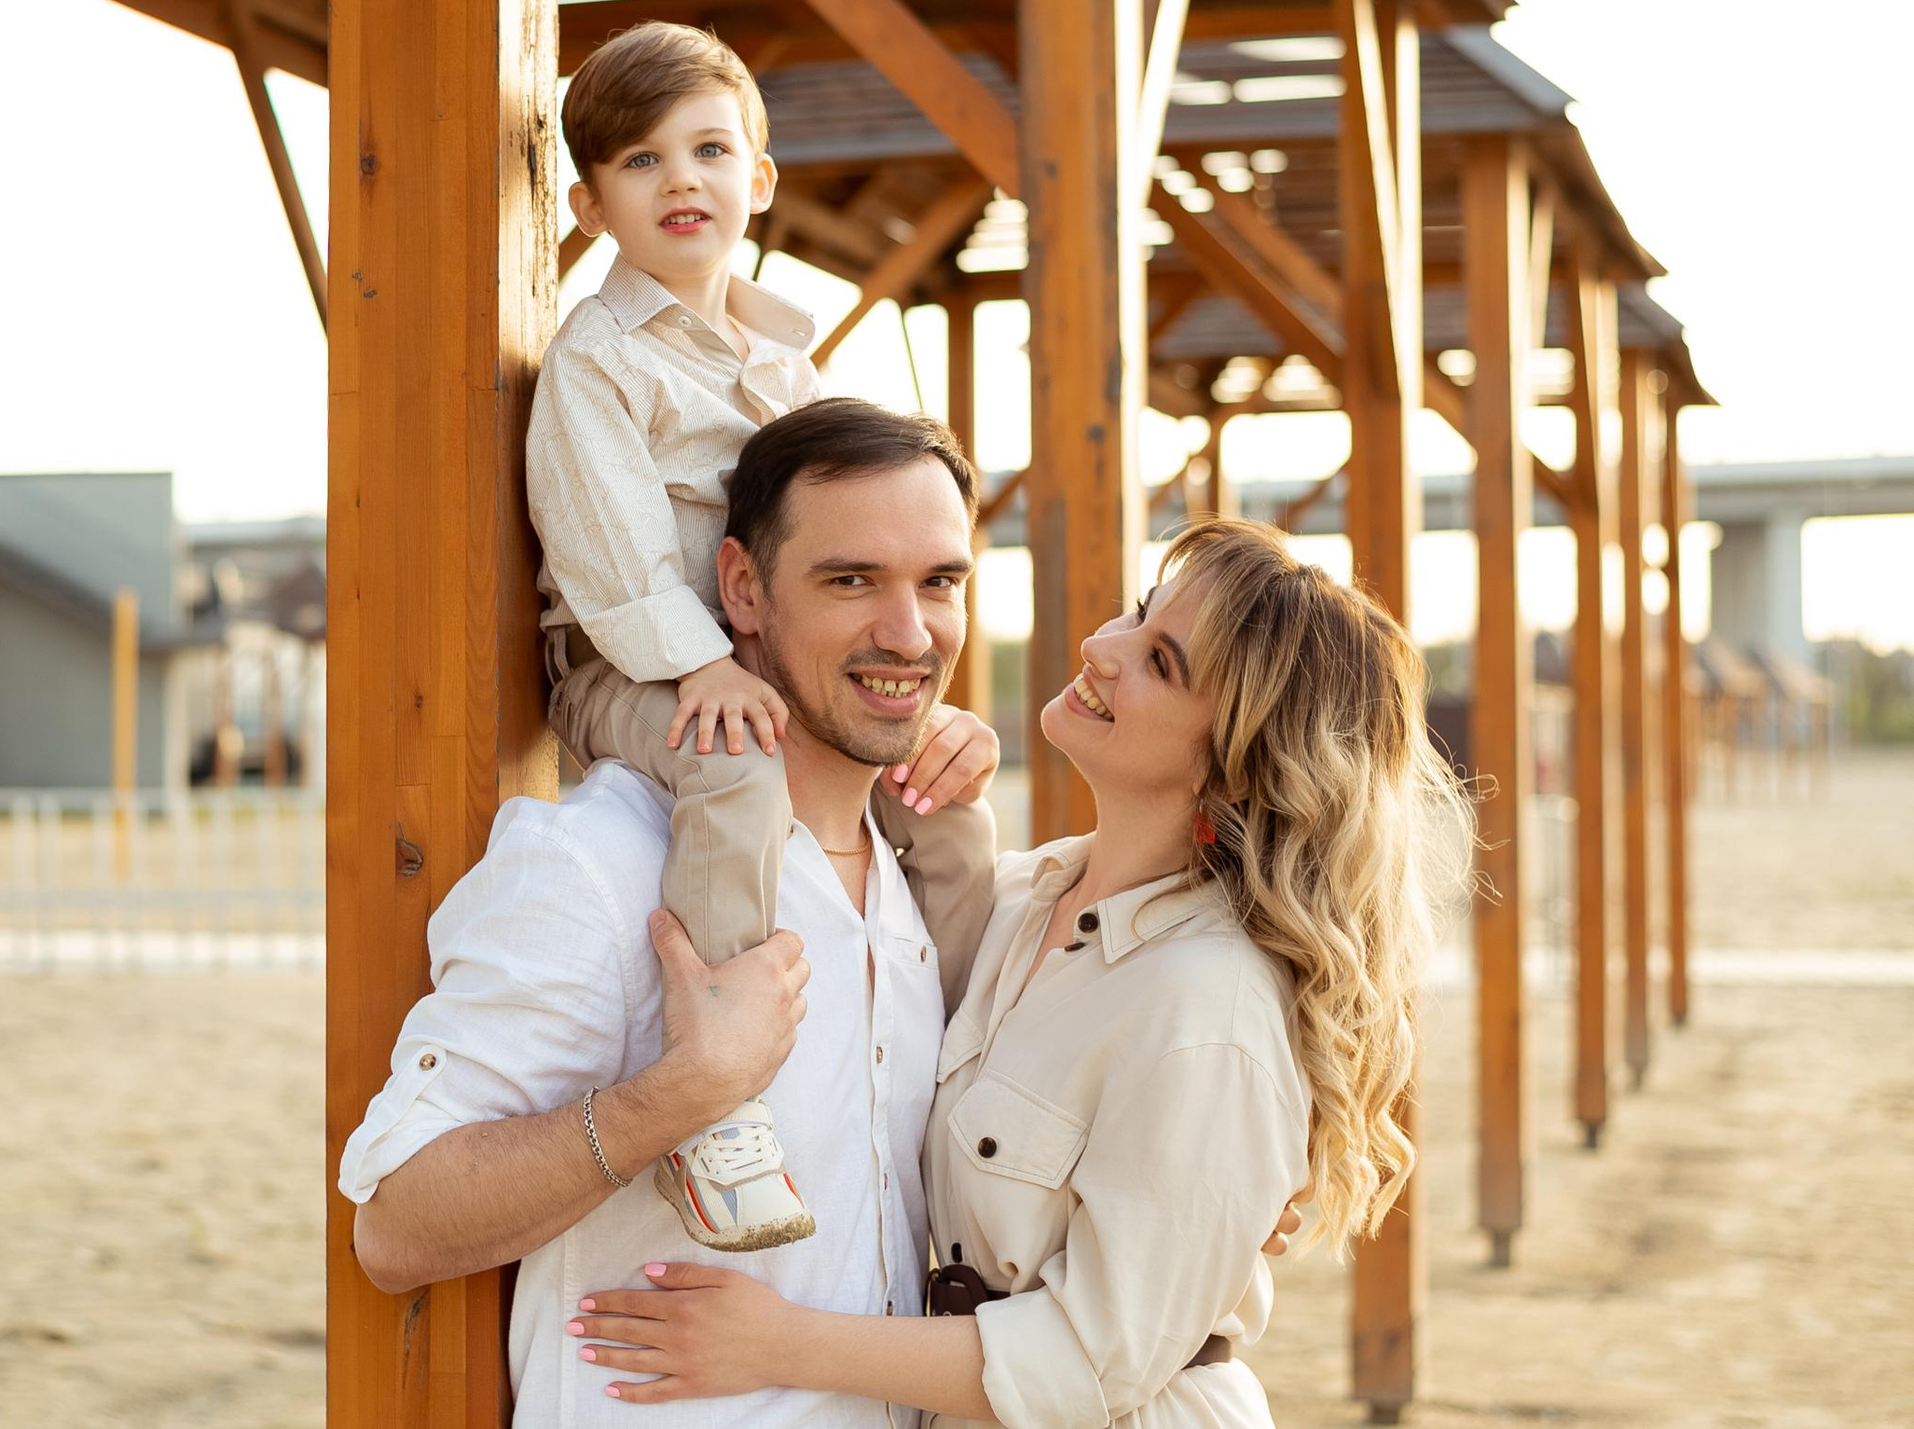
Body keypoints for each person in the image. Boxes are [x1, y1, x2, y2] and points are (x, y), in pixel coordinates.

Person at [567, 517, 1466, 1427]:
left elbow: (1087, 1364)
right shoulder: (1025, 901)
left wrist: (776, 1341)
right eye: (1137, 615)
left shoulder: (1208, 1005)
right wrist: (931, 767)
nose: (1102, 648)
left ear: (1236, 764)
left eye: (1161, 662)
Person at [342, 402, 985, 1426]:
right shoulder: (598, 860)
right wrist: (683, 1095)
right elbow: (398, 1224)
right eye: (850, 579)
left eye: (939, 582)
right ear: (741, 587)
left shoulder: (923, 877)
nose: (908, 633)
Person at [527, 21, 998, 1250]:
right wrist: (699, 664)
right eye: (639, 161)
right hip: (632, 666)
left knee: (947, 809)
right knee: (733, 763)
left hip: (762, 666)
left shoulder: (785, 358)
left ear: (759, 179)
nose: (680, 179)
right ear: (587, 204)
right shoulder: (597, 361)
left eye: (707, 150)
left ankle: (972, 1050)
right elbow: (607, 544)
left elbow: (852, 522)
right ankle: (717, 1090)